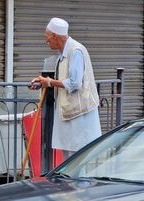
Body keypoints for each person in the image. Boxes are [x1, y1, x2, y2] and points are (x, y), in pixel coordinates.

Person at [30, 17, 101, 158]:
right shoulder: (63, 53)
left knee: (78, 159)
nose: (47, 42)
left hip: (80, 114)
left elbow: (75, 83)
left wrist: (49, 82)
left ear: (55, 36)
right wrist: (43, 82)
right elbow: (61, 79)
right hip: (70, 112)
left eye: (48, 39)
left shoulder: (75, 51)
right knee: (68, 159)